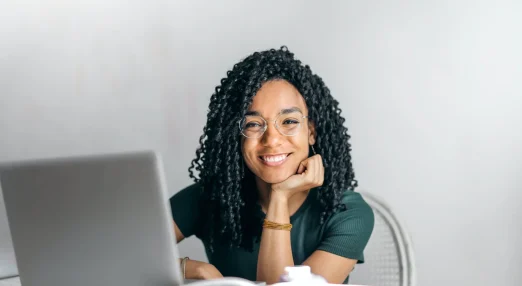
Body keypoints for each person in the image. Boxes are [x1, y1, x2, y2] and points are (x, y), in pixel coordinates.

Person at [169, 46, 374, 284]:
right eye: (253, 124)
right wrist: (192, 269)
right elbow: (122, 253)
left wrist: (280, 196)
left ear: (311, 132)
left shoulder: (348, 214)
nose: (272, 140)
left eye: (289, 121)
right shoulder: (209, 198)